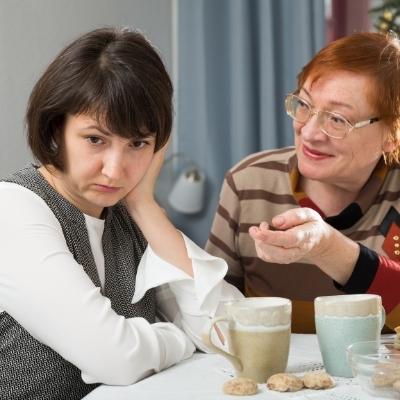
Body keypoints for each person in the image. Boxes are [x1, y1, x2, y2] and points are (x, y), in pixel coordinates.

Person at [0, 27, 242, 400]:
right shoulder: (14, 209)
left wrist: (146, 207)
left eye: (138, 144)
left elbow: (235, 335)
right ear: (55, 129)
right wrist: (178, 337)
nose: (115, 169)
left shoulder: (126, 215)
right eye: (95, 139)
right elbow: (116, 358)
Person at [206, 32, 400, 334]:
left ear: (391, 136)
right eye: (305, 105)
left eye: (337, 119)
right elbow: (211, 311)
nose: (309, 132)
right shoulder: (248, 183)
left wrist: (325, 246)